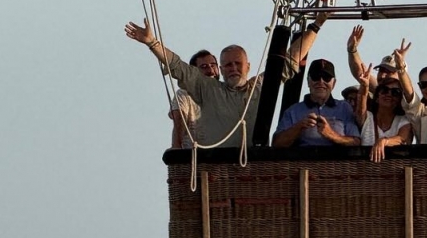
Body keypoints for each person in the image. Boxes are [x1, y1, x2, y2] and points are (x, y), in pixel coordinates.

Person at [125, 15, 325, 148]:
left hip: (251, 166)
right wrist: (152, 43)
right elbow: (179, 68)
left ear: (248, 66)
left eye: (238, 64)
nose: (234, 69)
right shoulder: (208, 89)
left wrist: (316, 26)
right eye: (228, 65)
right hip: (214, 167)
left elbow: (290, 60)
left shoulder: (260, 86)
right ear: (220, 69)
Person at [272, 59, 361, 147]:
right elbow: (276, 144)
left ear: (334, 83)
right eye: (316, 76)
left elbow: (356, 142)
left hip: (337, 161)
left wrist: (331, 134)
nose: (321, 81)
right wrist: (299, 127)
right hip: (303, 160)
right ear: (308, 81)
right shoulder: (293, 111)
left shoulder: (345, 108)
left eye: (326, 77)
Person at [354, 68, 412, 162]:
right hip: (365, 172)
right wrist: (364, 86)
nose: (389, 94)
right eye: (384, 90)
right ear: (377, 97)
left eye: (395, 92)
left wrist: (384, 141)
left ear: (399, 100)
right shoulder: (367, 118)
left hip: (394, 172)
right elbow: (361, 105)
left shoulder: (403, 121)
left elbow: (402, 138)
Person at [171, 50, 219, 149]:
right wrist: (176, 152)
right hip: (194, 157)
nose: (210, 70)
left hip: (224, 157)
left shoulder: (226, 93)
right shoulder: (184, 94)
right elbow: (179, 121)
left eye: (213, 65)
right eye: (204, 67)